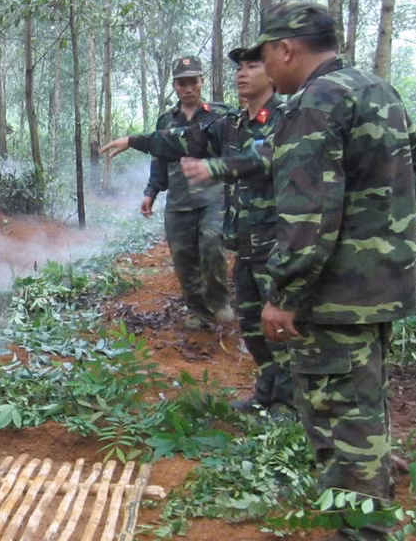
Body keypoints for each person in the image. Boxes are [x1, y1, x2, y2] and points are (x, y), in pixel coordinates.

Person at [252, 1, 416, 541]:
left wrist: (284, 295)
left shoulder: (317, 101)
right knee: (364, 407)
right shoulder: (377, 90)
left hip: (334, 298)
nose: (265, 66)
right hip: (378, 288)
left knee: (339, 416)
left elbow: (309, 213)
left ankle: (362, 539)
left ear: (287, 49)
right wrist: (384, 240)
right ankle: (368, 517)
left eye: (265, 54)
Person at [102, 48, 293, 417]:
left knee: (281, 326)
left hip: (278, 242)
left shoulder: (287, 118)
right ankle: (267, 394)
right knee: (253, 325)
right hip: (248, 240)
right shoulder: (232, 125)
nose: (241, 74)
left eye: (253, 66)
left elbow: (265, 159)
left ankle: (291, 403)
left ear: (273, 75)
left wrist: (216, 168)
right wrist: (135, 141)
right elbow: (183, 142)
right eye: (238, 67)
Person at [137, 57, 234, 328]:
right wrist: (151, 192)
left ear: (202, 82)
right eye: (182, 83)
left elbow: (234, 154)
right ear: (175, 86)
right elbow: (159, 158)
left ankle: (219, 301)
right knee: (183, 256)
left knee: (212, 241)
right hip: (179, 199)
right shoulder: (166, 120)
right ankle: (198, 310)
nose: (188, 87)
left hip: (213, 196)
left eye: (193, 81)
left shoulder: (220, 115)